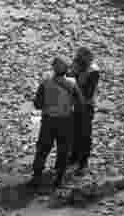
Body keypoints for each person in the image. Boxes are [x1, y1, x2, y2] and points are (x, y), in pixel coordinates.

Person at [31, 56, 81, 188]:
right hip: (65, 120)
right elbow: (79, 102)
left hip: (48, 120)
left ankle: (36, 177)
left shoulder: (46, 82)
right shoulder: (72, 83)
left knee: (42, 149)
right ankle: (59, 178)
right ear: (67, 69)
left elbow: (37, 104)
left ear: (53, 67)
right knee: (63, 150)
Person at [68, 46, 99, 174]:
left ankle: (83, 162)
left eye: (81, 58)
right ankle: (74, 157)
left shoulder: (93, 71)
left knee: (85, 135)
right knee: (74, 132)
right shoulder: (77, 66)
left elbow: (88, 92)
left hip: (86, 106)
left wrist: (76, 76)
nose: (78, 60)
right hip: (75, 104)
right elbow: (68, 79)